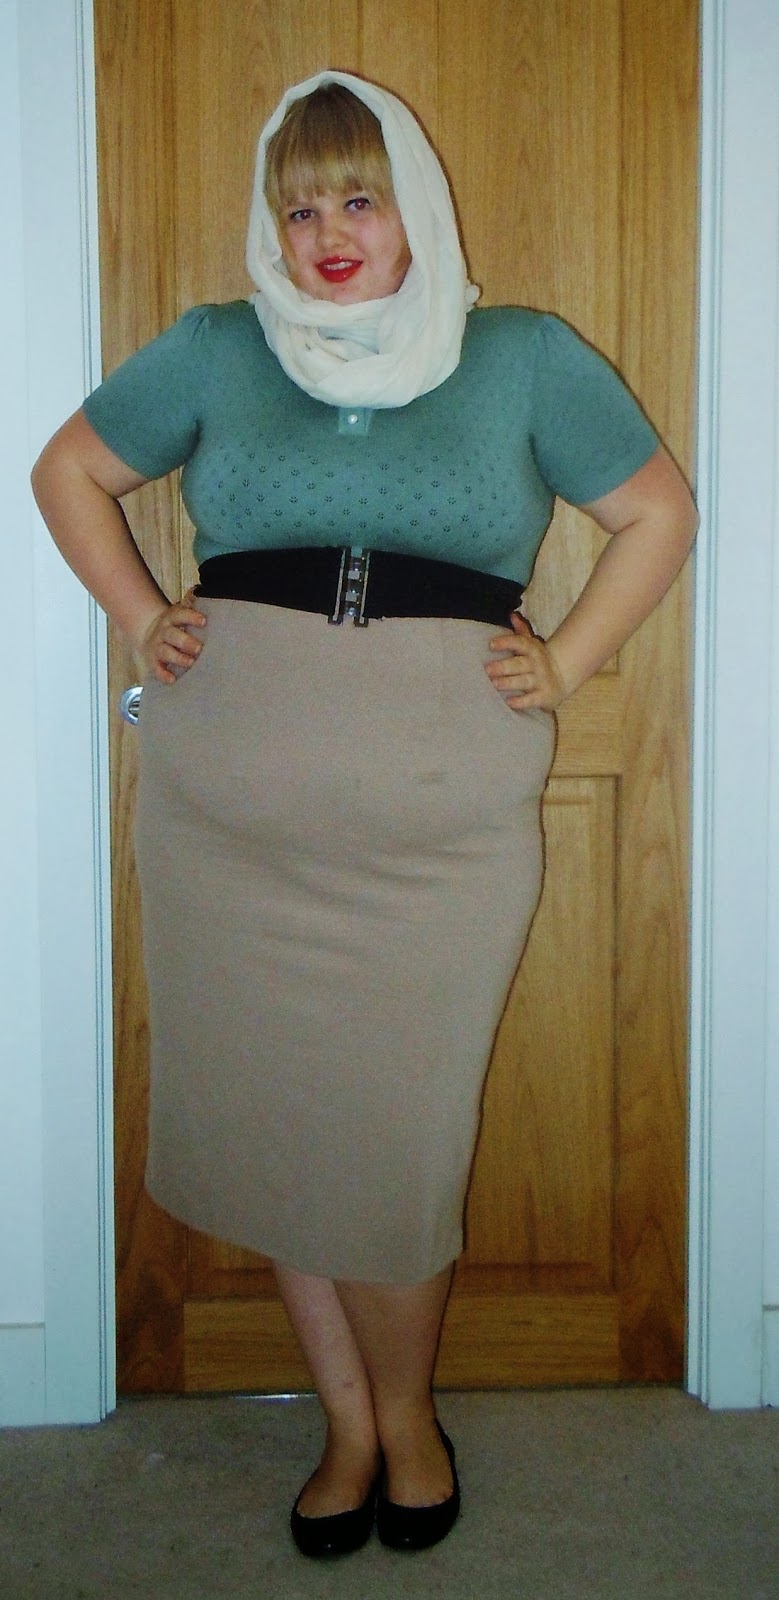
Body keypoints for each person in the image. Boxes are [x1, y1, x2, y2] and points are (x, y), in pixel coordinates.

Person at [31, 69, 697, 1558]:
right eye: (299, 209)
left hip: (438, 836)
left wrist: (566, 660)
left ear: (416, 207)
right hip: (223, 821)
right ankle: (347, 1427)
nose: (328, 235)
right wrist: (140, 612)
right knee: (277, 1134)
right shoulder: (219, 347)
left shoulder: (521, 355)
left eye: (358, 199)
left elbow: (660, 512)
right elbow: (67, 469)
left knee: (396, 1150)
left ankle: (411, 1419)